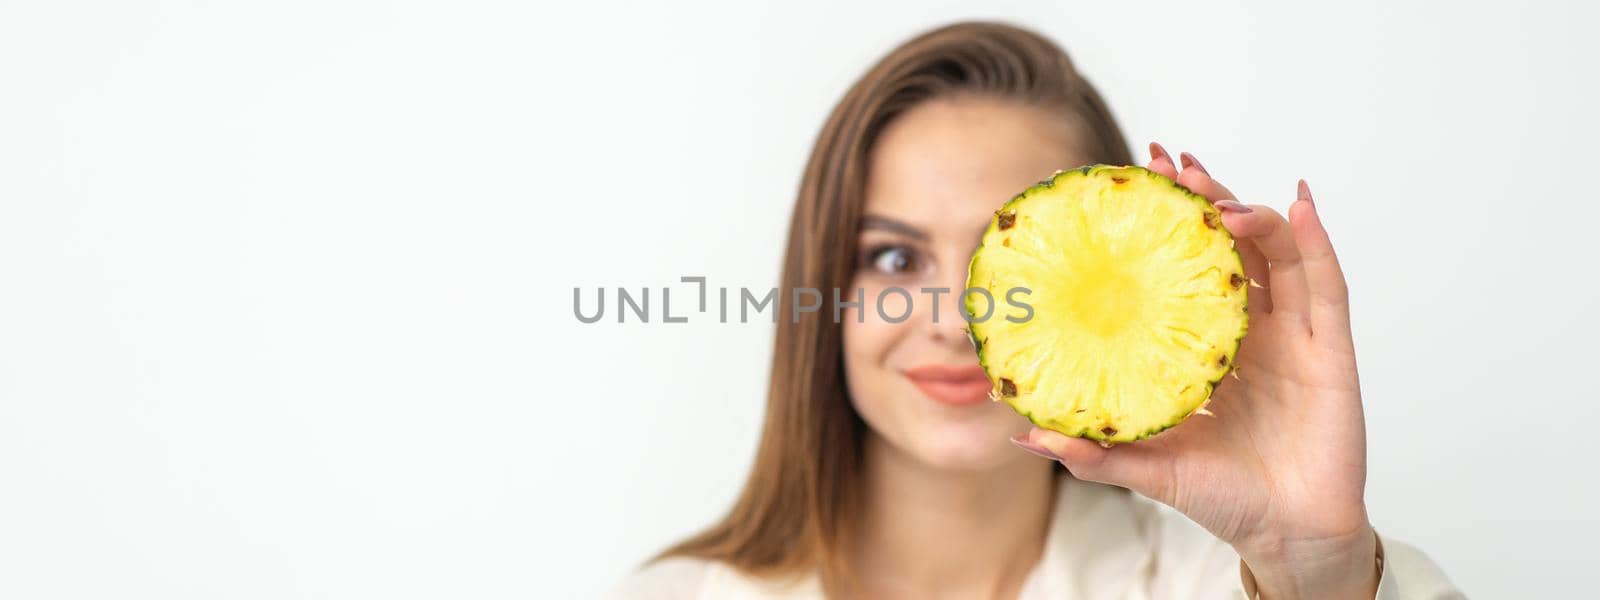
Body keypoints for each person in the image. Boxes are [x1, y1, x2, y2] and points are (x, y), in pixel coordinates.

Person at [611, 21, 1462, 599]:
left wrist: (1318, 566)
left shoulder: (1235, 582)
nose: (952, 319)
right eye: (894, 257)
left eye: (1008, 258)